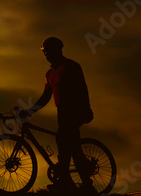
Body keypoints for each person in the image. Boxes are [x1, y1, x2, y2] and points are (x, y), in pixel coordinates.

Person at [18, 37, 94, 192]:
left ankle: (80, 183)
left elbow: (82, 88)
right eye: (44, 52)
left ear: (57, 50)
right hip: (62, 110)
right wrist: (30, 111)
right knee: (67, 145)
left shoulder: (71, 66)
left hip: (74, 109)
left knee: (66, 142)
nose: (46, 55)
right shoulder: (50, 74)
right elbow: (46, 96)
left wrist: (87, 108)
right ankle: (71, 181)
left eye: (48, 51)